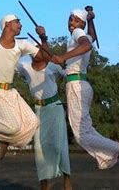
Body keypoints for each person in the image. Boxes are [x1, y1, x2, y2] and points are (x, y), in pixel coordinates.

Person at [51, 9, 119, 170]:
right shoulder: (83, 33)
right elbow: (91, 38)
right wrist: (91, 21)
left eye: (76, 20)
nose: (71, 22)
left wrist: (63, 57)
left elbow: (87, 46)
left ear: (81, 25)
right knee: (87, 131)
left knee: (82, 135)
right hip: (82, 85)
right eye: (70, 18)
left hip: (76, 86)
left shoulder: (77, 34)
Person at [0, 15, 51, 159]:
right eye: (17, 22)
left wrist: (43, 37)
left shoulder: (22, 44)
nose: (20, 24)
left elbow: (45, 57)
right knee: (13, 127)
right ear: (7, 24)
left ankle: (6, 140)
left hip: (11, 93)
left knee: (33, 122)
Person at [17, 41, 72, 189]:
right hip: (39, 111)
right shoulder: (24, 67)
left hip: (55, 108)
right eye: (32, 53)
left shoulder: (52, 66)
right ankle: (44, 186)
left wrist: (43, 37)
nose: (34, 54)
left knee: (59, 147)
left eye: (37, 51)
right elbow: (11, 58)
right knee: (40, 150)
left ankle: (67, 181)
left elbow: (67, 74)